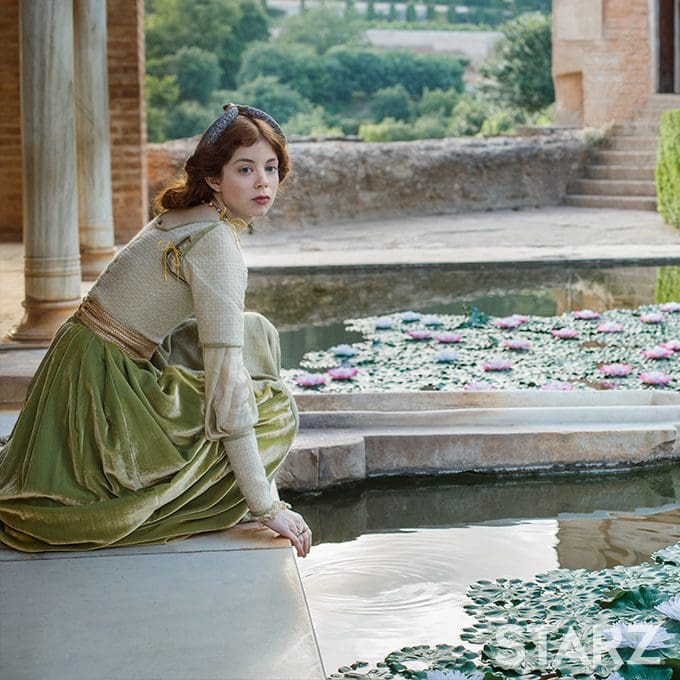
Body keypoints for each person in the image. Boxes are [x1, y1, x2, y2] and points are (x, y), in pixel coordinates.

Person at [0, 104, 312, 557]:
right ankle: (231, 496)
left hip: (76, 361)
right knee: (275, 409)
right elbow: (228, 387)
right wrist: (266, 507)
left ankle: (239, 481)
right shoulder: (216, 243)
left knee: (254, 332)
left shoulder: (183, 216)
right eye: (245, 169)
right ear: (213, 178)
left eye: (271, 168)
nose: (264, 182)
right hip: (102, 395)